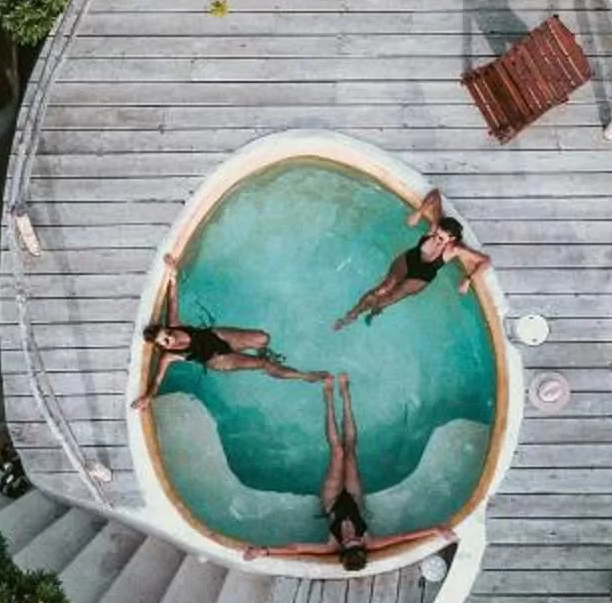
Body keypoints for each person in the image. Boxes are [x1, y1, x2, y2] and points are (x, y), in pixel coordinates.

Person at [242, 375, 451, 573]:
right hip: (354, 496)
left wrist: (264, 551)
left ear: (342, 547)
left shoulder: (331, 545)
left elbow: (297, 548)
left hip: (332, 500)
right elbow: (403, 537)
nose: (353, 537)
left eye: (349, 541)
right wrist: (435, 531)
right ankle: (346, 395)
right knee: (350, 450)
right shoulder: (369, 542)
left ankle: (328, 398)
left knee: (337, 451)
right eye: (357, 541)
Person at [334, 187, 493, 328]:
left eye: (441, 239)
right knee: (381, 290)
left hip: (421, 277)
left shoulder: (455, 249)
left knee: (389, 299)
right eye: (437, 235)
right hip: (409, 260)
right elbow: (435, 194)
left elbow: (486, 261)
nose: (436, 238)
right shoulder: (435, 227)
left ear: (451, 239)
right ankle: (352, 314)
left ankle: (373, 313)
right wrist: (420, 211)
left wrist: (468, 279)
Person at [136, 310, 320, 404]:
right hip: (218, 359)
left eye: (167, 333)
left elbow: (173, 298)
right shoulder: (168, 357)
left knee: (263, 338)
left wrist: (173, 272)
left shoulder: (175, 325)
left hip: (217, 335)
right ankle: (305, 376)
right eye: (166, 341)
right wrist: (148, 396)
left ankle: (265, 355)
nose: (171, 338)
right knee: (264, 365)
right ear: (163, 347)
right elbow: (157, 382)